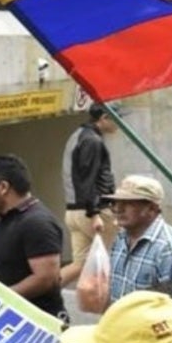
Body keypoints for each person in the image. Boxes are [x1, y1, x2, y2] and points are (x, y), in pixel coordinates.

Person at [0, 154, 65, 319]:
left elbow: (46, 278)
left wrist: (1, 299)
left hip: (37, 323)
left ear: (3, 187)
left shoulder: (37, 223)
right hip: (7, 319)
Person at [60, 103, 118, 287]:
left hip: (73, 212)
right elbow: (88, 179)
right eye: (117, 118)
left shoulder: (78, 135)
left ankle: (42, 295)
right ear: (104, 118)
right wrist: (94, 214)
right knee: (118, 257)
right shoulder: (92, 141)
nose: (120, 123)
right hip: (93, 211)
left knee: (80, 264)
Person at [106, 174, 172, 301]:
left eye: (128, 203)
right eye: (115, 202)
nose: (118, 209)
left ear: (152, 208)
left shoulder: (169, 246)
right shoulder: (120, 238)